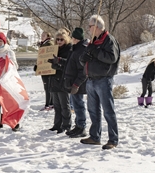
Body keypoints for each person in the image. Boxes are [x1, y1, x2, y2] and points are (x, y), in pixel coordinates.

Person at [79, 15, 120, 150]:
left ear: (96, 27)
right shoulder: (93, 40)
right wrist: (83, 58)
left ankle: (113, 139)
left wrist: (96, 52)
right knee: (93, 110)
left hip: (103, 79)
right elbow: (86, 57)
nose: (89, 29)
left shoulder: (108, 40)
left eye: (90, 26)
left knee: (108, 111)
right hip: (91, 79)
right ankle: (95, 136)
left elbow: (112, 58)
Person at [64, 27, 89, 138]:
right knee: (76, 104)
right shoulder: (75, 49)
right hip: (73, 82)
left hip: (78, 84)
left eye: (72, 37)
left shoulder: (80, 50)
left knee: (79, 105)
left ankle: (82, 126)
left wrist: (76, 84)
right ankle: (78, 125)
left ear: (76, 38)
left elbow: (82, 71)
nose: (71, 39)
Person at [47, 30, 72, 134]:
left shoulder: (69, 49)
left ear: (65, 39)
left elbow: (70, 65)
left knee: (64, 105)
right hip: (53, 79)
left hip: (63, 79)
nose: (59, 41)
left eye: (61, 39)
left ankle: (66, 125)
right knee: (56, 105)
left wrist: (58, 63)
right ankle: (57, 124)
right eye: (57, 39)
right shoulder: (53, 49)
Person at [34, 31, 54, 111]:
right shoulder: (44, 43)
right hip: (44, 68)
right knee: (47, 87)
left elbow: (46, 56)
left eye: (44, 35)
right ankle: (50, 103)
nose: (42, 36)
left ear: (48, 36)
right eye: (41, 35)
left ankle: (49, 104)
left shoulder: (48, 44)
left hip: (47, 69)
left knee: (48, 87)